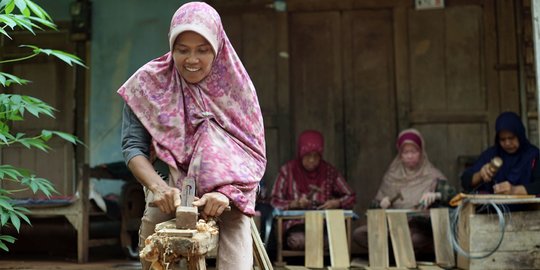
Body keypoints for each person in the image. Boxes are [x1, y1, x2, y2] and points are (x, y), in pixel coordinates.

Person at [118, 2, 266, 269]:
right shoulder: (148, 85)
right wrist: (159, 188)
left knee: (236, 224)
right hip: (172, 188)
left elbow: (252, 155)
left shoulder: (238, 88)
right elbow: (132, 147)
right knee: (155, 231)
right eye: (182, 50)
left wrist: (227, 194)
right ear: (171, 47)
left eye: (203, 50)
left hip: (231, 190)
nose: (192, 60)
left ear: (218, 47)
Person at [352, 128, 456, 257]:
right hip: (393, 226)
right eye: (405, 152)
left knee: (413, 239)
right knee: (359, 234)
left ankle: (398, 252)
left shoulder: (432, 175)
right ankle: (396, 252)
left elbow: (454, 197)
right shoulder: (392, 175)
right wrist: (380, 205)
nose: (410, 156)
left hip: (419, 228)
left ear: (421, 152)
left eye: (414, 151)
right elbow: (372, 209)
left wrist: (436, 195)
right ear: (400, 154)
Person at [270, 130, 356, 250]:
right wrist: (295, 204)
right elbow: (274, 201)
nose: (312, 160)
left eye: (316, 156)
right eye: (307, 156)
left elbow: (350, 196)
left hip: (324, 225)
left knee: (337, 241)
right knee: (297, 241)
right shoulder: (287, 171)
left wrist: (337, 203)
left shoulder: (329, 172)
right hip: (297, 226)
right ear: (300, 153)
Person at [461, 111, 540, 195]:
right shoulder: (491, 154)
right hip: (493, 207)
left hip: (527, 207)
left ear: (520, 135)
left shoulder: (533, 155)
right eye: (502, 139)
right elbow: (465, 181)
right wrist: (481, 174)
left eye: (511, 138)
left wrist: (514, 190)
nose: (507, 143)